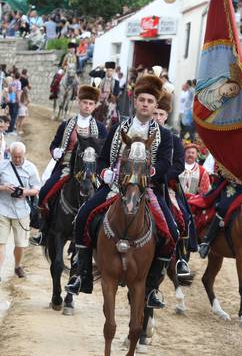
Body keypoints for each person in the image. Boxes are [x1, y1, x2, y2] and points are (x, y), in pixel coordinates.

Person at [65, 75, 177, 310]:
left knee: (172, 231)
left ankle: (152, 287)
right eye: (142, 100)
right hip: (115, 187)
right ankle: (81, 273)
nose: (146, 104)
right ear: (135, 102)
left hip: (148, 190)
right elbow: (104, 158)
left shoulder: (165, 135)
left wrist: (147, 176)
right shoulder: (117, 129)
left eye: (150, 101)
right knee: (83, 216)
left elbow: (166, 163)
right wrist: (104, 172)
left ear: (156, 106)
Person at [38, 85, 107, 246]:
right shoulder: (66, 124)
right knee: (45, 191)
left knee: (105, 199)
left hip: (92, 170)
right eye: (84, 102)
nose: (87, 106)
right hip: (67, 166)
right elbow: (54, 144)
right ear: (78, 102)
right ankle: (43, 229)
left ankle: (98, 234)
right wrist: (56, 151)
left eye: (90, 103)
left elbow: (105, 152)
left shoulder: (101, 128)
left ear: (95, 105)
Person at [154, 91, 193, 276]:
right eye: (155, 113)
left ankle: (180, 258)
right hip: (138, 181)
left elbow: (178, 165)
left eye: (161, 114)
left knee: (183, 216)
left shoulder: (175, 140)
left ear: (166, 116)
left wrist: (160, 174)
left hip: (166, 184)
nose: (157, 117)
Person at [0, 142, 40, 280]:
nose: (17, 159)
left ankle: (17, 266)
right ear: (10, 154)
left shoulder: (31, 168)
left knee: (20, 244)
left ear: (24, 155)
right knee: (1, 242)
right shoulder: (2, 165)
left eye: (19, 157)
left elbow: (36, 189)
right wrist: (4, 187)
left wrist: (26, 192)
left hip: (21, 210)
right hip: (2, 209)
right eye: (14, 157)